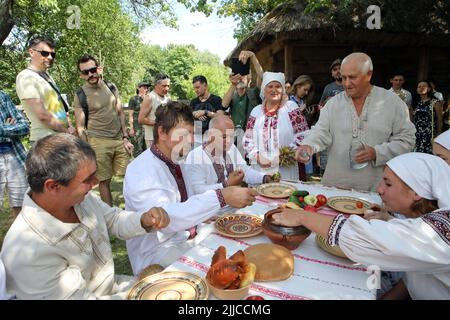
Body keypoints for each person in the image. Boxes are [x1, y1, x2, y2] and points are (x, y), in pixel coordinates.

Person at [0, 133, 170, 299]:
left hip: (113, 289)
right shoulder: (30, 253)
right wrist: (145, 293)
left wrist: (143, 219)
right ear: (53, 186)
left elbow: (115, 220)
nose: (95, 182)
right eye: (88, 179)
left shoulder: (79, 199)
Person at [273, 152, 450, 300]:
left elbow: (361, 239)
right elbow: (414, 277)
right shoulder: (424, 223)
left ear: (417, 192)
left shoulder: (440, 231)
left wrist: (302, 216)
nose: (379, 189)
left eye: (388, 183)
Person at [123, 101, 257, 274]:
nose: (192, 140)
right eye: (185, 134)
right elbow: (165, 219)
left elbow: (192, 199)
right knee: (220, 270)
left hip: (186, 237)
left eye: (193, 133)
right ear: (162, 132)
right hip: (156, 252)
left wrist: (205, 214)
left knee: (236, 248)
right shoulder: (141, 171)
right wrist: (222, 195)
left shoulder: (178, 161)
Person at [296, 52, 416, 191]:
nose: (347, 83)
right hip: (335, 187)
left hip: (377, 189)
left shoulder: (392, 103)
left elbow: (407, 140)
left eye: (352, 77)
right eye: (343, 77)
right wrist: (309, 145)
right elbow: (321, 132)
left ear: (369, 75)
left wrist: (377, 152)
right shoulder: (333, 104)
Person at [74, 54, 133, 207]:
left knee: (129, 176)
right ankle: (111, 214)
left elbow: (120, 112)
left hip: (119, 139)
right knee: (104, 181)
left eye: (92, 70)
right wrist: (87, 151)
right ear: (81, 75)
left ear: (98, 69)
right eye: (85, 72)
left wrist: (125, 137)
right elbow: (80, 127)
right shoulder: (80, 94)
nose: (90, 74)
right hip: (97, 141)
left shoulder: (111, 87)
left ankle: (131, 210)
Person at [184, 115, 276, 195]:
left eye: (231, 136)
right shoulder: (195, 157)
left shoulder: (231, 148)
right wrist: (226, 185)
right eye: (224, 136)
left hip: (234, 205)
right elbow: (197, 191)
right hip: (209, 212)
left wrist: (263, 177)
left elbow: (244, 171)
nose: (228, 141)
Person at [243, 72, 309, 181]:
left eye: (278, 86)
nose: (274, 90)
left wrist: (283, 156)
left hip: (286, 168)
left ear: (283, 89)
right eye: (270, 86)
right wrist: (257, 157)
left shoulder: (291, 108)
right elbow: (247, 140)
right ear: (264, 89)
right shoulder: (256, 111)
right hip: (260, 168)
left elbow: (303, 135)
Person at [16, 35, 75, 143]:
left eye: (53, 54)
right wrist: (66, 132)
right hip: (45, 141)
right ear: (31, 52)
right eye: (45, 53)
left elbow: (59, 107)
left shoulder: (46, 76)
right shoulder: (26, 77)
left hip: (61, 137)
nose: (50, 57)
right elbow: (42, 115)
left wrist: (69, 125)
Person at [0, 91, 29, 217]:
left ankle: (20, 236)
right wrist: (8, 127)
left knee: (22, 205)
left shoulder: (2, 96)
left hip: (14, 154)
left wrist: (2, 129)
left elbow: (24, 126)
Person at [222, 50, 263, 132]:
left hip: (252, 134)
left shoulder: (255, 92)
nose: (240, 78)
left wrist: (253, 56)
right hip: (236, 136)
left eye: (243, 74)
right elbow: (224, 105)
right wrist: (233, 84)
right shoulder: (232, 95)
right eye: (238, 75)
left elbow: (262, 77)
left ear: (249, 77)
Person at [318, 59, 344, 176]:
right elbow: (320, 106)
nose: (338, 71)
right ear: (332, 73)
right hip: (331, 126)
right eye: (335, 69)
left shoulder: (349, 86)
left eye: (340, 68)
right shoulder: (328, 88)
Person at [138, 73, 171, 148]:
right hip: (152, 138)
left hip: (165, 137)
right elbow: (141, 119)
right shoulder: (150, 98)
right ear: (156, 85)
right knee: (154, 159)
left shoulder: (168, 98)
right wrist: (160, 123)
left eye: (168, 86)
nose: (167, 88)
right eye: (164, 86)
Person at [412, 80, 443, 154]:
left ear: (429, 89)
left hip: (430, 134)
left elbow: (439, 120)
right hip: (417, 135)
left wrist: (438, 135)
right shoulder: (415, 104)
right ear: (417, 90)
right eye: (419, 87)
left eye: (424, 86)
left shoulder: (435, 102)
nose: (421, 88)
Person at [127, 81, 149, 157]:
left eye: (147, 87)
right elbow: (130, 115)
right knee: (138, 150)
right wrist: (132, 128)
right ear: (138, 88)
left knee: (148, 150)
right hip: (137, 128)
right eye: (144, 87)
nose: (146, 88)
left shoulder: (149, 98)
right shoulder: (133, 99)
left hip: (147, 128)